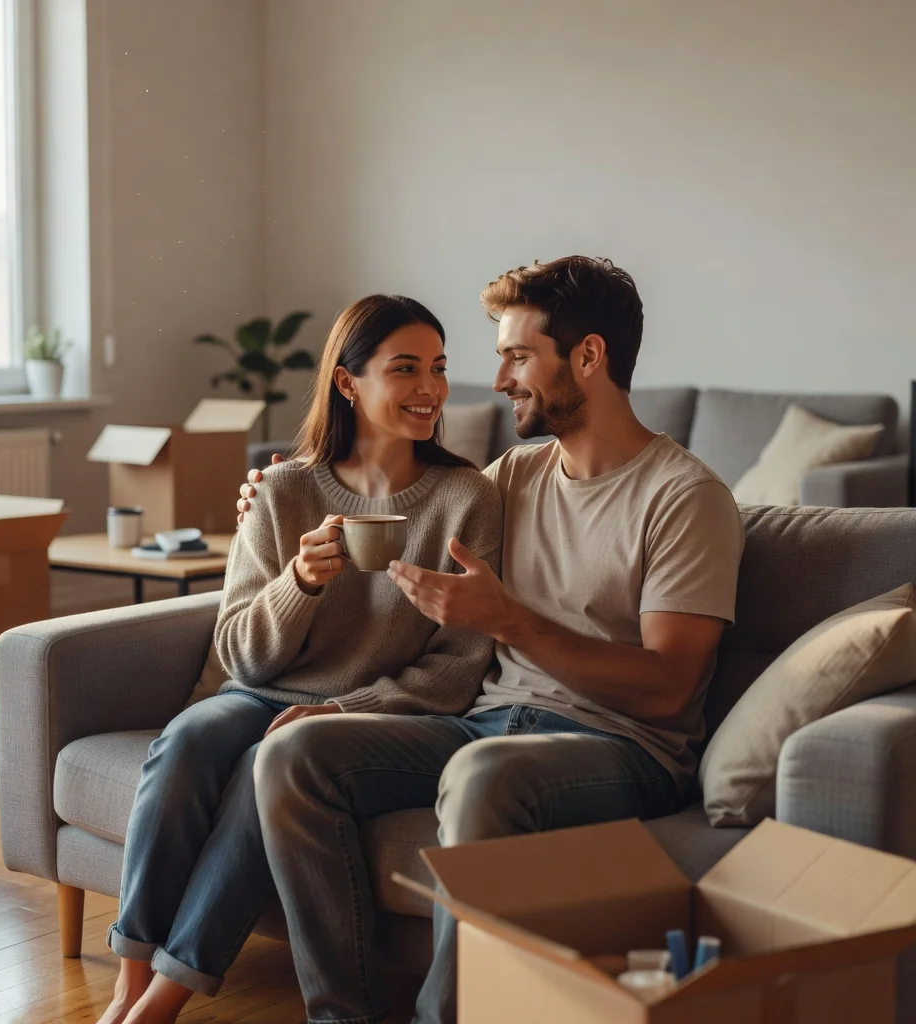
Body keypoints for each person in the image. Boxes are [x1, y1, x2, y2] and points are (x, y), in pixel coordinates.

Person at [240, 256, 745, 1024]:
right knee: (291, 754)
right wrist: (280, 487)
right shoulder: (513, 477)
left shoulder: (686, 498)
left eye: (518, 355)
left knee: (485, 777)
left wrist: (508, 619)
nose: (499, 378)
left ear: (588, 356)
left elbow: (668, 686)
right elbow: (394, 492)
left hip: (619, 748)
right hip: (481, 725)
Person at [96, 294, 502, 1024]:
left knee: (276, 760)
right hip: (262, 689)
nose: (431, 389)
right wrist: (300, 584)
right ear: (348, 383)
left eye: (439, 369)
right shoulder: (284, 489)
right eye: (405, 369)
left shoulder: (465, 496)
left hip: (362, 713)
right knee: (187, 739)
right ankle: (126, 985)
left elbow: (460, 663)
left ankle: (160, 1002)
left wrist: (342, 709)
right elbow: (238, 651)